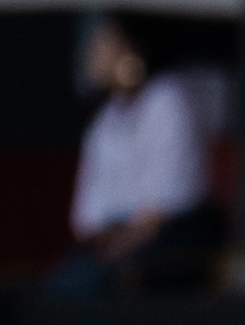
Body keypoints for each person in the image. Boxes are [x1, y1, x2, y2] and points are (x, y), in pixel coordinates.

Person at [60, 15, 223, 293]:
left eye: (103, 43)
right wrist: (103, 240)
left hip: (172, 237)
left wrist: (123, 243)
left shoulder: (168, 99)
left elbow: (167, 202)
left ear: (130, 48)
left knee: (93, 283)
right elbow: (89, 215)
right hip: (112, 243)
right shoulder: (106, 119)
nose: (92, 53)